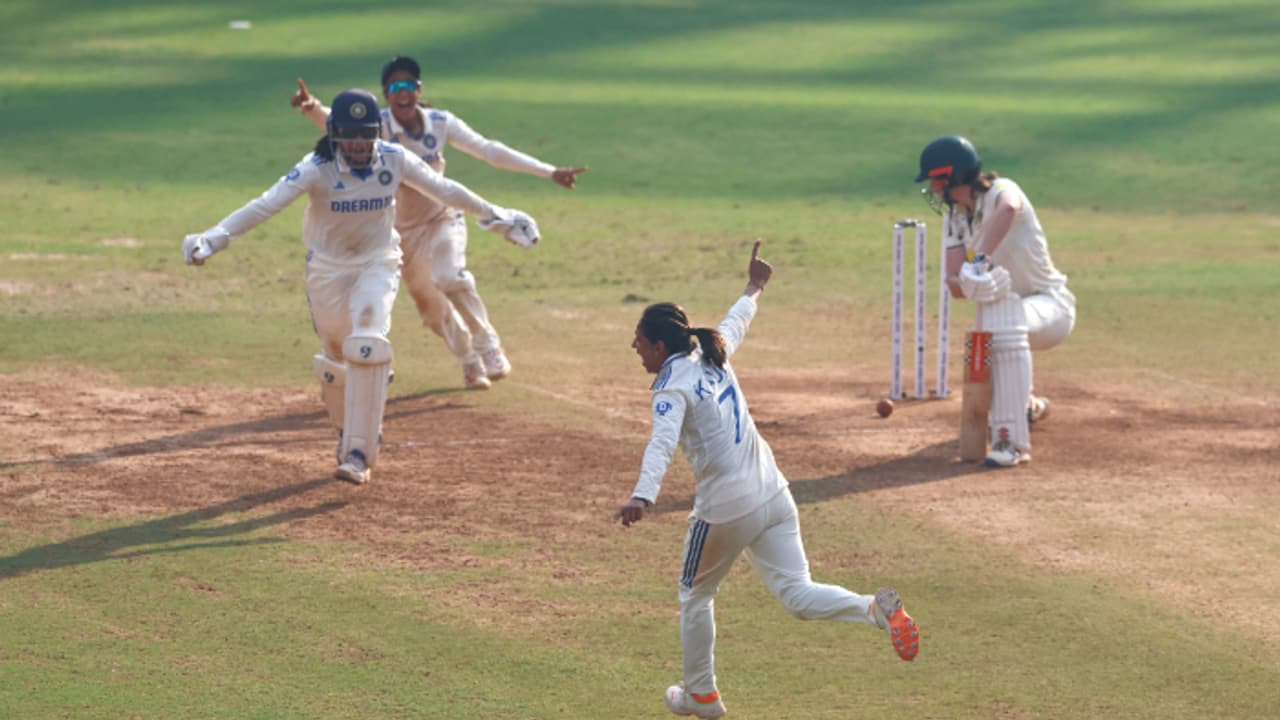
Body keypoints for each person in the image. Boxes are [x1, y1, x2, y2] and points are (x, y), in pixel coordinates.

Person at [612, 242, 920, 719]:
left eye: (638, 340)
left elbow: (661, 442)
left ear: (658, 345)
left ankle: (701, 695)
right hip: (774, 494)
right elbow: (735, 322)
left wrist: (642, 495)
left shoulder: (671, 386)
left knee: (694, 596)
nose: (633, 348)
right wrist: (755, 286)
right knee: (797, 594)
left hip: (725, 511)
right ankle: (875, 612)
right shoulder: (714, 355)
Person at [183, 88, 540, 484]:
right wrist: (213, 238)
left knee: (368, 341)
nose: (358, 143)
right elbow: (264, 205)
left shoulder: (393, 158)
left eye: (366, 134)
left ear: (377, 133)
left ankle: (359, 452)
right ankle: (345, 431)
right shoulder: (315, 168)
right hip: (328, 270)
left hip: (378, 263)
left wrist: (500, 217)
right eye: (350, 134)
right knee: (337, 358)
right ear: (335, 133)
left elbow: (447, 190)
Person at [291, 55, 588, 390]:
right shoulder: (381, 126)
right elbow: (339, 123)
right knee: (434, 314)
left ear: (419, 89)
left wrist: (549, 171)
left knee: (448, 275)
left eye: (408, 86)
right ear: (386, 94)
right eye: (394, 87)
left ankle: (487, 343)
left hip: (442, 219)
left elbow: (489, 150)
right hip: (399, 235)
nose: (402, 93)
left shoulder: (440, 122)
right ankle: (469, 361)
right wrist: (311, 107)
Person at [915, 135, 1077, 468]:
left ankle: (1011, 441)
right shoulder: (955, 220)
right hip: (1010, 318)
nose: (932, 189)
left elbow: (1009, 208)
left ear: (951, 175)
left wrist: (979, 261)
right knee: (994, 317)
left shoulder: (1002, 189)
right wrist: (972, 283)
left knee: (1004, 318)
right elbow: (956, 286)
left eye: (934, 179)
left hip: (1050, 305)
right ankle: (1024, 406)